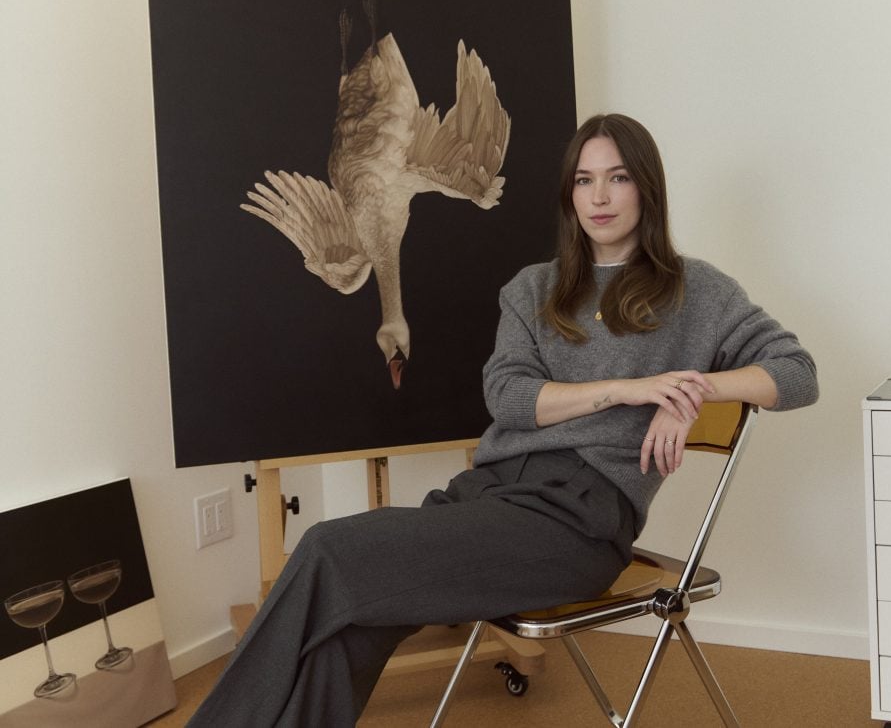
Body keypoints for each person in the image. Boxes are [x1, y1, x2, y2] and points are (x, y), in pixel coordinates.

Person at [187, 113, 818, 726]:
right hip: (486, 497)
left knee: (328, 546)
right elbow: (509, 398)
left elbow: (796, 373)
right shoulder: (532, 288)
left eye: (618, 178)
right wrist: (626, 390)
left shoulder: (695, 291)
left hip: (576, 522)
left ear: (646, 189)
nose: (599, 196)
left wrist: (686, 388)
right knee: (347, 626)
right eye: (583, 180)